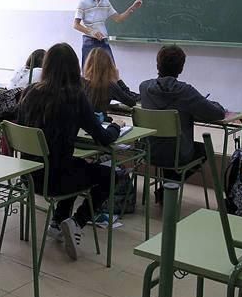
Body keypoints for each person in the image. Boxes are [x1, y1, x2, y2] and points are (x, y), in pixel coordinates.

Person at [17, 42, 121, 259]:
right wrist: (115, 127)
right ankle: (76, 222)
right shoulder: (75, 97)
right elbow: (102, 139)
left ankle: (57, 222)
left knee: (73, 165)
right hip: (56, 180)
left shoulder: (29, 93)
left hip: (28, 176)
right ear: (75, 68)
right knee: (110, 174)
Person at [139, 45, 227, 200]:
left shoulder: (144, 87)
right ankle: (169, 188)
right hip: (178, 155)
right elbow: (217, 113)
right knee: (203, 149)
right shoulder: (185, 92)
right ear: (181, 68)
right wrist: (215, 104)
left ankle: (167, 188)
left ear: (157, 64)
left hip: (149, 151)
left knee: (167, 143)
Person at [73, 0, 143, 68]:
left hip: (103, 41)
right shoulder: (83, 2)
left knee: (110, 71)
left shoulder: (105, 2)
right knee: (88, 72)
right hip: (89, 41)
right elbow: (76, 25)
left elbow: (118, 18)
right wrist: (92, 32)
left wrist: (133, 8)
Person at [83, 47, 138, 114]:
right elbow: (132, 102)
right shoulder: (110, 86)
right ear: (108, 66)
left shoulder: (80, 82)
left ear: (88, 64)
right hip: (99, 122)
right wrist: (118, 80)